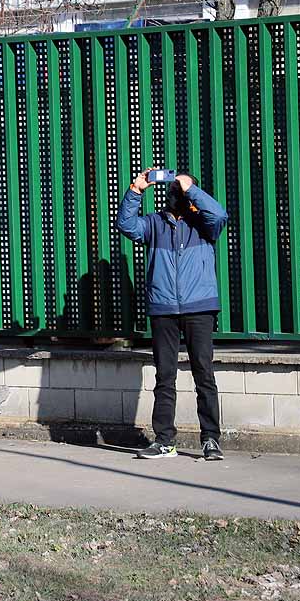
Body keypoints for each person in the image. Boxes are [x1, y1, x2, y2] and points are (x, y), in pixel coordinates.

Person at [117, 170, 228, 461]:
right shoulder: (154, 223)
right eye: (175, 189)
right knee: (164, 376)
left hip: (199, 307)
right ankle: (164, 440)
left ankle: (210, 440)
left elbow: (218, 216)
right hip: (164, 308)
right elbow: (127, 225)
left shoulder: (203, 223)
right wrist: (136, 189)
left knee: (204, 374)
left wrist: (192, 190)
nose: (176, 194)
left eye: (181, 189)